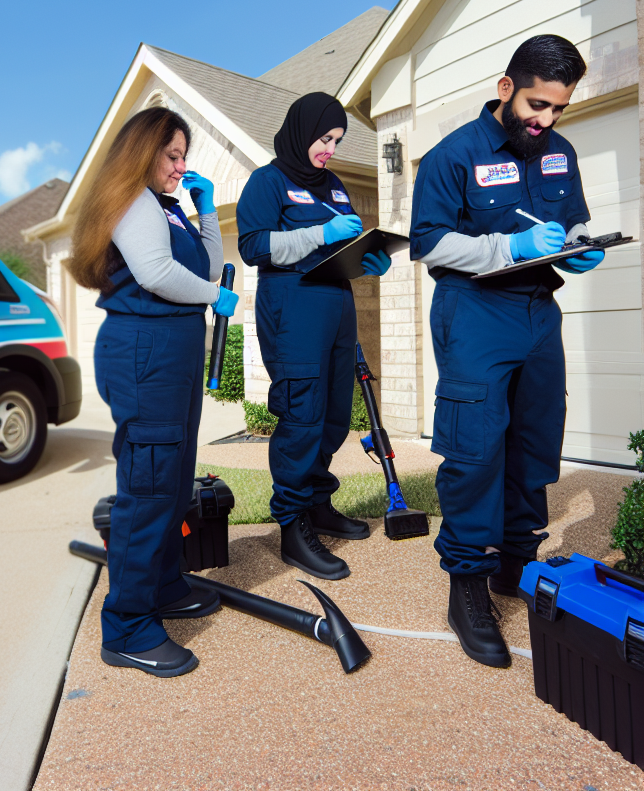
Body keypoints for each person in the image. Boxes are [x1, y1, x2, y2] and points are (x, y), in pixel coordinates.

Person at [409, 34, 603, 669]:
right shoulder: (452, 156)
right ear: (505, 89)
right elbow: (430, 242)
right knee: (474, 450)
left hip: (538, 313)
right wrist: (505, 250)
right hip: (475, 311)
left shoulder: (559, 151)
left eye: (557, 109)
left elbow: (572, 217)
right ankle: (466, 585)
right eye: (536, 105)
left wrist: (580, 242)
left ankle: (515, 562)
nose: (545, 121)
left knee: (534, 440)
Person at [67, 106, 239, 678]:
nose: (180, 165)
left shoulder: (167, 208)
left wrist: (206, 211)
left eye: (184, 155)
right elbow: (157, 273)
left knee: (171, 479)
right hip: (145, 352)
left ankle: (164, 584)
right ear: (143, 153)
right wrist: (213, 297)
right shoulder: (131, 203)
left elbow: (210, 267)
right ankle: (127, 627)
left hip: (173, 350)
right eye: (172, 155)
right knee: (147, 485)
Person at [237, 93, 392, 581]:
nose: (329, 149)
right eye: (324, 139)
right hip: (293, 305)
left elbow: (343, 244)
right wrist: (320, 234)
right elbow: (253, 246)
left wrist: (369, 258)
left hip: (337, 303)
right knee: (301, 416)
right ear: (302, 132)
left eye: (337, 141)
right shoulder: (267, 182)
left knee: (334, 417)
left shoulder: (335, 185)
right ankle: (292, 524)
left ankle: (318, 503)